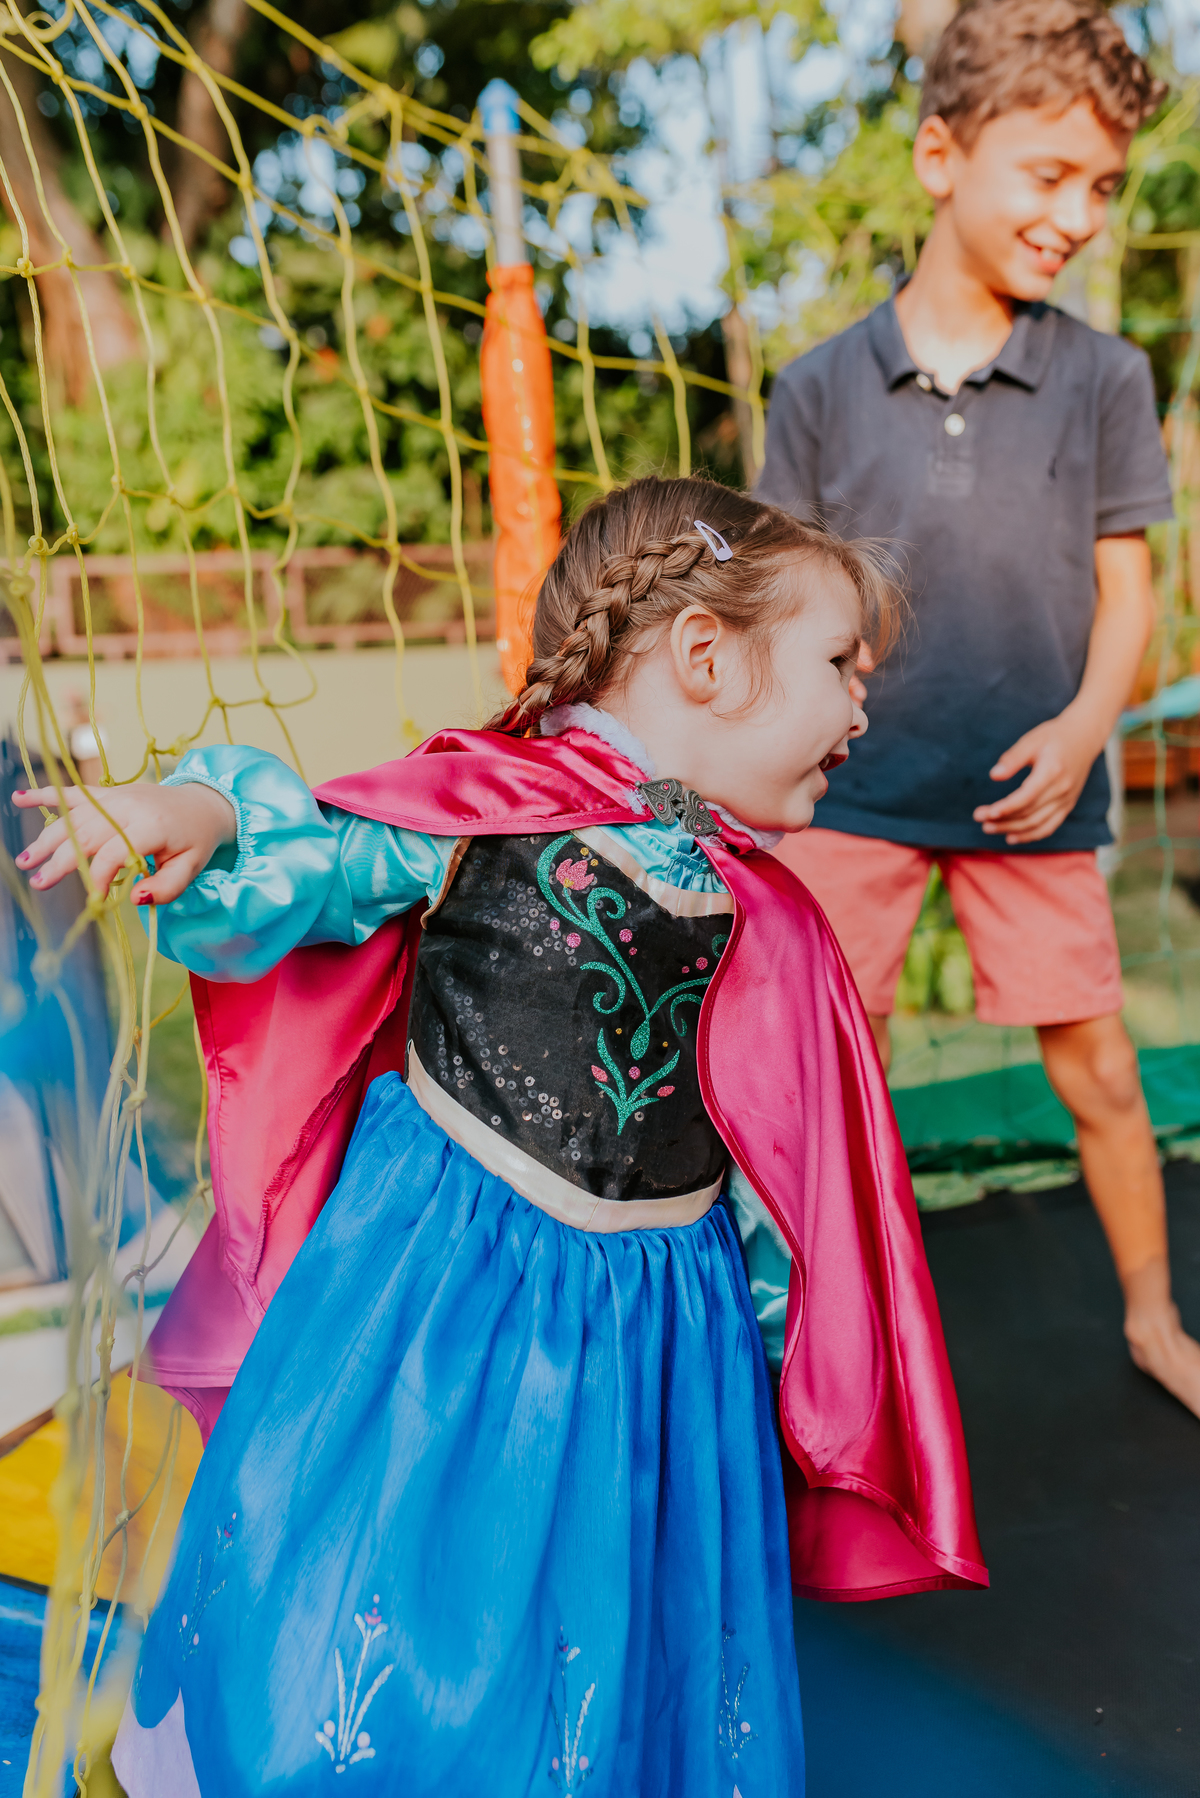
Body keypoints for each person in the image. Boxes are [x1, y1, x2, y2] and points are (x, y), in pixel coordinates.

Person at [16, 476, 986, 1797]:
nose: (860, 706)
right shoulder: (496, 806)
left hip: (658, 1316)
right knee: (396, 1563)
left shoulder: (756, 897)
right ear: (707, 658)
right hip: (444, 1287)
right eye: (838, 665)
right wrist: (191, 815)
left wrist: (779, 1340)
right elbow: (329, 844)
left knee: (609, 1591)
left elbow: (772, 1154)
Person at [758, 0, 1200, 1418]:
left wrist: (1085, 730)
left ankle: (1154, 1318)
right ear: (941, 157)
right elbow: (788, 603)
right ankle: (827, 1339)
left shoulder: (1104, 380)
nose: (1079, 212)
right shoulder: (819, 387)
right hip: (858, 793)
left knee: (1104, 1074)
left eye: (1103, 187)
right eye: (1049, 174)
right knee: (833, 1081)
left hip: (1032, 789)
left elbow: (1128, 595)